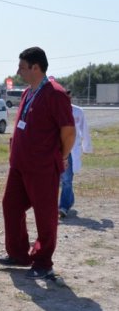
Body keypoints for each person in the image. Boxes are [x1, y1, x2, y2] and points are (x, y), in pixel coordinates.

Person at [0, 47, 75, 279]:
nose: (18, 71)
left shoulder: (55, 94)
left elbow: (68, 132)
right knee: (10, 205)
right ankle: (19, 253)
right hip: (20, 165)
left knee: (45, 214)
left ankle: (43, 261)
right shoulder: (27, 93)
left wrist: (61, 156)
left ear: (36, 67)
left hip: (42, 167)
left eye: (22, 67)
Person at [59, 89, 92, 218]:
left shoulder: (78, 111)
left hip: (71, 150)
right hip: (57, 150)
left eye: (69, 97)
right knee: (57, 179)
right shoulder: (56, 111)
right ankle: (69, 200)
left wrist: (86, 146)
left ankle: (64, 206)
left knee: (67, 179)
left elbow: (84, 130)